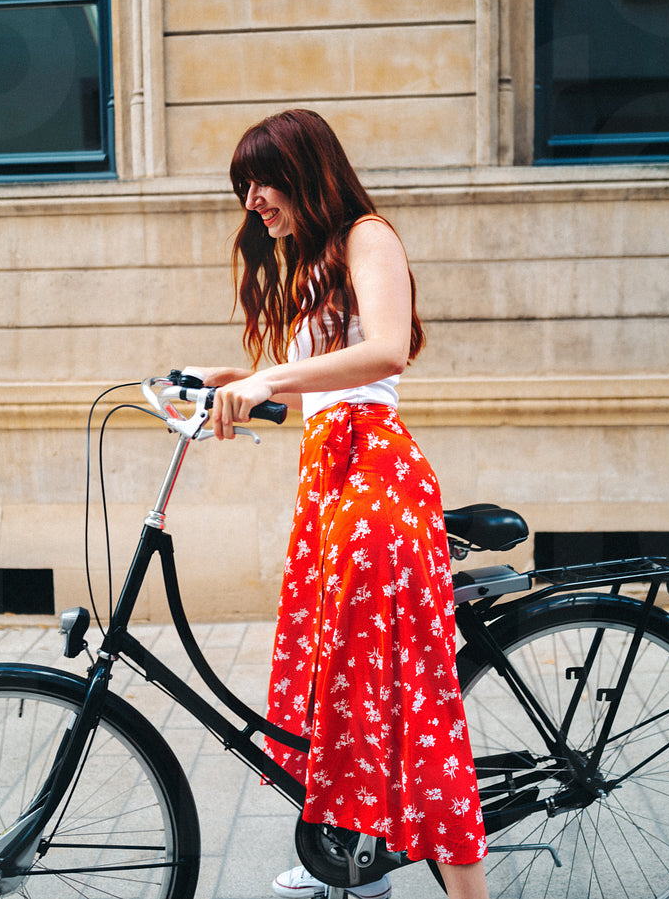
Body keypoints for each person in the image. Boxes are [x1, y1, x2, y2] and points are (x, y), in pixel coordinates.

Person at [186, 109, 490, 899]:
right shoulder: (312, 263)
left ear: (306, 172)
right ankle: (352, 860)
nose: (252, 201)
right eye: (243, 188)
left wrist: (267, 377)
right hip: (331, 484)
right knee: (340, 688)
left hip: (375, 478)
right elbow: (322, 387)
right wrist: (229, 380)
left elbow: (385, 351)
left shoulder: (368, 236)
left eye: (262, 182)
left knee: (413, 706)